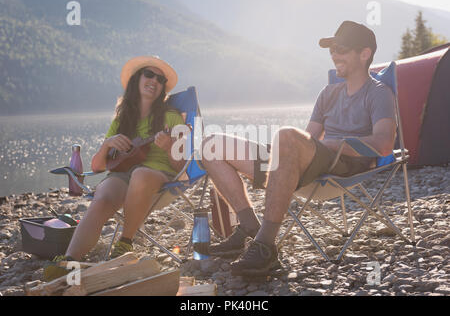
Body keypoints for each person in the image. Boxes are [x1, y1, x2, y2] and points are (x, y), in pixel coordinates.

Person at [201, 21, 397, 276]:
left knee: (286, 136)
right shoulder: (328, 93)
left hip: (345, 164)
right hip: (311, 161)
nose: (335, 54)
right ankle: (249, 224)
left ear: (365, 53)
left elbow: (383, 144)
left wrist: (331, 144)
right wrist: (284, 151)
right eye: (332, 49)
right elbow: (309, 138)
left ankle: (265, 247)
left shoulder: (379, 93)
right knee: (211, 144)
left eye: (342, 48)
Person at [44, 56, 185, 280]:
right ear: (136, 80)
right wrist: (107, 144)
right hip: (122, 175)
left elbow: (182, 165)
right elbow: (98, 167)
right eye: (149, 74)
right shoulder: (123, 119)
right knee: (102, 198)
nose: (154, 81)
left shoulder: (171, 117)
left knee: (140, 174)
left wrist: (168, 147)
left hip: (159, 177)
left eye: (160, 79)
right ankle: (70, 260)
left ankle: (125, 243)